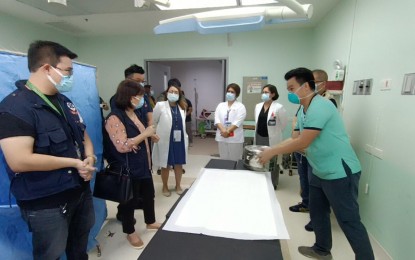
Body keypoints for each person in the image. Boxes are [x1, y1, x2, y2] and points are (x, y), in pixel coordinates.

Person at [259, 67, 374, 260]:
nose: (289, 93)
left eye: (291, 87)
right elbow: (296, 137)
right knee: (318, 212)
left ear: (305, 86)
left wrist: (273, 152)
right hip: (320, 170)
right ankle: (321, 249)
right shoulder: (305, 108)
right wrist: (272, 149)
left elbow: (303, 142)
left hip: (339, 171)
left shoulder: (321, 106)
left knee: (349, 220)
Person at [0, 40, 96, 260]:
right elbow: (19, 160)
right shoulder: (15, 108)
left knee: (79, 249)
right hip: (47, 202)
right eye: (68, 71)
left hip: (79, 192)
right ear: (46, 68)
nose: (71, 77)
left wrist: (88, 158)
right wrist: (73, 163)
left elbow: (84, 137)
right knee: (50, 254)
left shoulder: (64, 102)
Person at [104, 79, 161, 249]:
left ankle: (150, 221)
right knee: (130, 201)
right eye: (138, 97)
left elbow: (138, 134)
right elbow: (121, 145)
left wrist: (150, 135)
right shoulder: (114, 117)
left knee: (148, 194)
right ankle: (130, 232)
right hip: (128, 167)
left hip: (143, 164)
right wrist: (145, 134)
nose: (141, 100)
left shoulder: (133, 113)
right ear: (128, 97)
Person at [289, 69, 338, 232]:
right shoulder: (305, 103)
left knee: (315, 185)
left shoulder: (326, 103)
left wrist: (273, 150)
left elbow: (309, 134)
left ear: (321, 84)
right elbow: (297, 124)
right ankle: (306, 204)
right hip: (302, 150)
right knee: (304, 179)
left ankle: (316, 217)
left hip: (316, 153)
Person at [152, 79, 188, 197]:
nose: (173, 94)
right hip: (165, 140)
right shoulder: (160, 105)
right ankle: (165, 186)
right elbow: (154, 121)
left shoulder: (183, 107)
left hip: (179, 140)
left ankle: (178, 185)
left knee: (179, 164)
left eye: (176, 92)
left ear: (179, 94)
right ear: (167, 93)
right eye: (171, 91)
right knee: (165, 165)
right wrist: (154, 134)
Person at [254, 84, 288, 189]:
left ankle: (273, 183)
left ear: (273, 94)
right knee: (260, 158)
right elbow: (257, 121)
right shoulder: (258, 106)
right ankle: (261, 181)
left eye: (266, 92)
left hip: (272, 138)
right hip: (259, 136)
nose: (264, 94)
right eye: (263, 92)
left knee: (273, 160)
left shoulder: (278, 107)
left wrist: (275, 133)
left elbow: (284, 123)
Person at [214, 83, 246, 161]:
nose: (230, 93)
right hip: (222, 135)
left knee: (235, 159)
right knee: (223, 158)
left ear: (237, 94)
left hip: (235, 137)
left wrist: (228, 131)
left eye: (232, 92)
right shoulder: (220, 105)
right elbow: (217, 119)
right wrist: (223, 131)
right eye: (228, 91)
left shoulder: (240, 106)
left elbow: (238, 121)